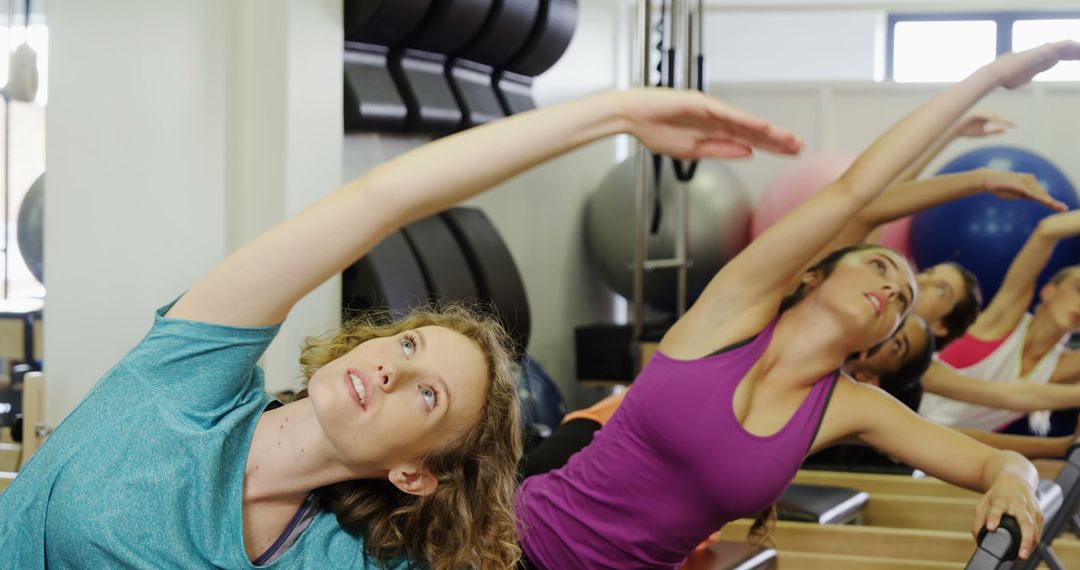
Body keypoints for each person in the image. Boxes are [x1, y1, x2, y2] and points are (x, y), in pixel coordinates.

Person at [0, 89, 802, 569]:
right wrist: (615, 112)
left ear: (415, 474)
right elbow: (381, 198)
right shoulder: (190, 377)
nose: (392, 370)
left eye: (426, 399)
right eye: (409, 347)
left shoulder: (341, 558)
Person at [516, 41, 1080, 570]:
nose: (892, 290)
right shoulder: (734, 311)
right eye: (879, 266)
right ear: (813, 273)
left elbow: (992, 462)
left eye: (904, 301)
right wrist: (991, 77)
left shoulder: (850, 407)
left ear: (879, 341)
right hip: (511, 543)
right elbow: (854, 193)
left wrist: (1015, 479)